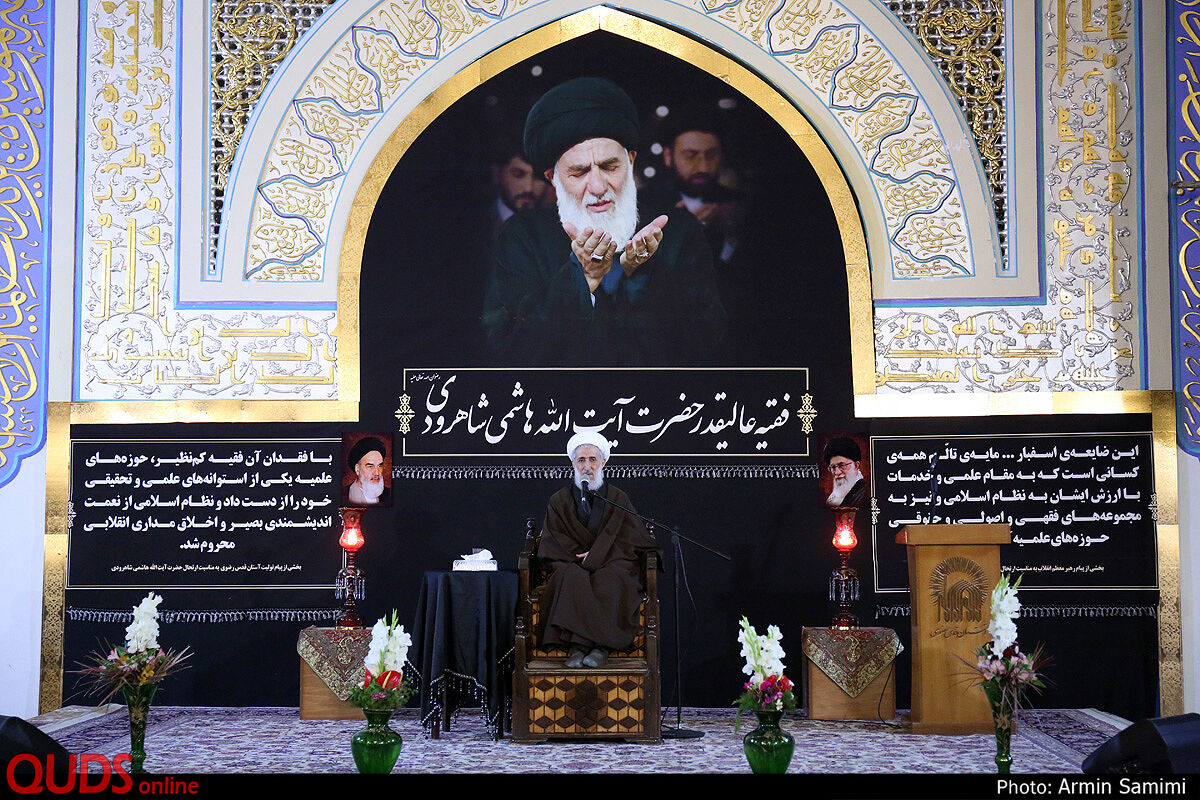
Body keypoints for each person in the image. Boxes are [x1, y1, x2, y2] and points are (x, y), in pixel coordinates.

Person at [482, 77, 727, 366]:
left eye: (609, 167)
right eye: (580, 172)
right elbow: (506, 348)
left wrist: (643, 275)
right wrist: (582, 278)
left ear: (630, 161)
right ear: (553, 178)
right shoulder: (523, 236)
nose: (598, 187)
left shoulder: (678, 230)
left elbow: (707, 343)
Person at [537, 431, 656, 668]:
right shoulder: (558, 500)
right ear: (573, 463)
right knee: (568, 575)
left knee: (614, 577)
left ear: (603, 462)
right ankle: (577, 647)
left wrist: (598, 555)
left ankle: (601, 648)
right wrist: (583, 558)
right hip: (572, 560)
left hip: (611, 560)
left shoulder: (618, 498)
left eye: (593, 459)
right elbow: (554, 538)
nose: (587, 466)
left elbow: (632, 538)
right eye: (581, 460)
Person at [641, 106, 742, 265]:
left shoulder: (736, 204)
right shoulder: (644, 203)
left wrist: (732, 235)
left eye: (711, 155)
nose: (703, 167)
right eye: (690, 156)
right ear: (668, 156)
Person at [823, 436, 867, 508]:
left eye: (842, 465)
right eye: (833, 467)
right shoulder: (834, 496)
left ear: (856, 465)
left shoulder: (865, 494)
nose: (837, 472)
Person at [346, 436, 391, 506]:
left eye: (379, 466)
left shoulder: (389, 495)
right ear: (357, 469)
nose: (377, 473)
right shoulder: (344, 494)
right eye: (370, 466)